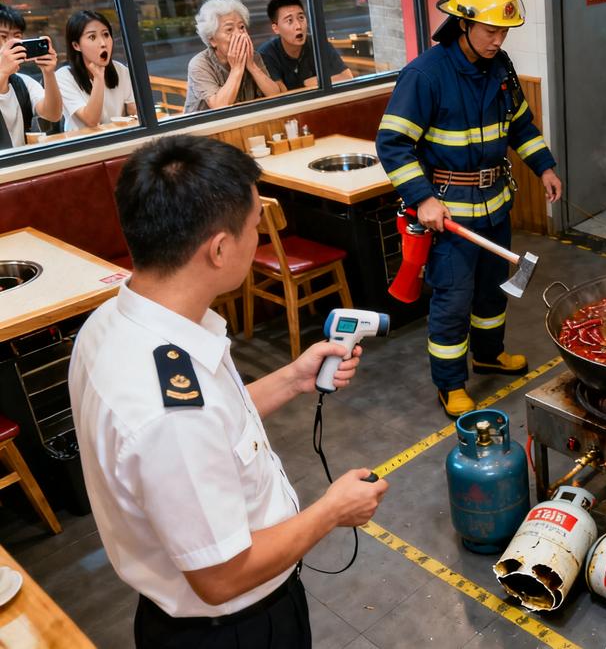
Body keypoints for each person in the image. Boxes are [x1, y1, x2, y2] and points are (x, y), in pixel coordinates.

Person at [70, 135, 389, 648]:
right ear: (219, 249)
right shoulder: (170, 412)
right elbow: (220, 577)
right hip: (231, 630)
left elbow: (215, 432)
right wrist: (333, 510)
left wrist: (292, 378)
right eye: (253, 229)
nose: (257, 237)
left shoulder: (114, 321)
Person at [376, 0, 562, 418]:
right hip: (448, 215)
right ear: (463, 23)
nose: (498, 40)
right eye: (490, 30)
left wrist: (544, 166)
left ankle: (489, 354)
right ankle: (450, 383)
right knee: (452, 300)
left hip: (496, 205)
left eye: (504, 32)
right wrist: (422, 197)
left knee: (492, 292)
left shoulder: (501, 68)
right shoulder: (426, 75)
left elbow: (519, 124)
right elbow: (392, 142)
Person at [185, 0, 282, 113]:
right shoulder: (200, 64)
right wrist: (237, 69)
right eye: (229, 30)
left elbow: (275, 95)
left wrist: (252, 66)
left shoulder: (253, 56)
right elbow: (219, 106)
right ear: (212, 40)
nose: (240, 34)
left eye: (241, 27)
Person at [55, 10, 135, 131]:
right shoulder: (63, 76)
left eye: (106, 35)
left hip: (118, 139)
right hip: (85, 144)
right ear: (76, 45)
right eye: (92, 37)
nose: (103, 43)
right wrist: (99, 78)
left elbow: (134, 111)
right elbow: (91, 121)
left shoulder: (121, 70)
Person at [257, 0, 353, 91]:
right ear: (276, 28)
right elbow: (280, 93)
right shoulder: (268, 53)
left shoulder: (319, 44)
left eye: (301, 18)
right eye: (289, 21)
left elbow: (347, 77)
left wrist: (315, 81)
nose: (298, 26)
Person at [0, 3, 61, 149]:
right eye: (3, 36)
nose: (12, 43)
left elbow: (52, 114)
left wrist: (49, 73)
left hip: (21, 165)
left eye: (17, 36)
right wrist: (2, 72)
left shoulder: (23, 82)